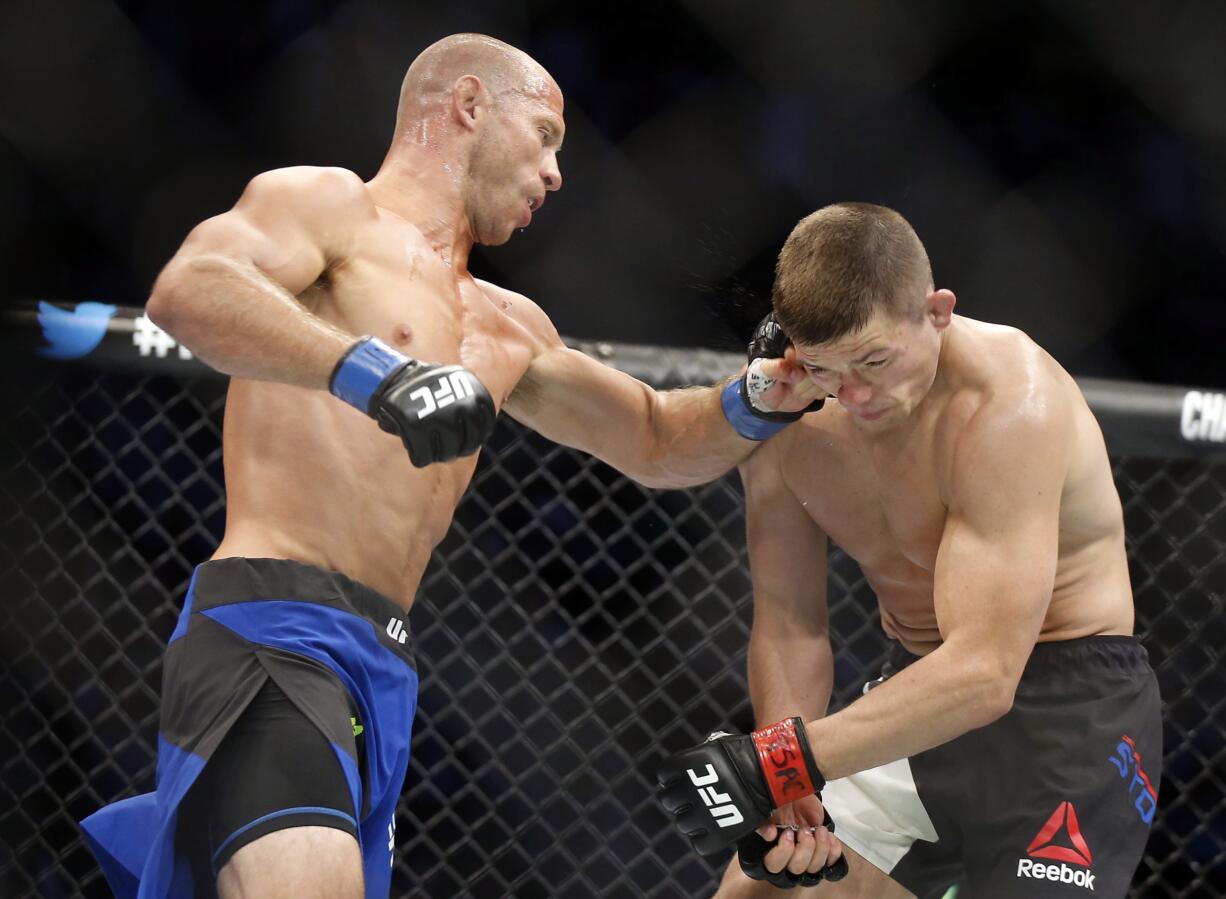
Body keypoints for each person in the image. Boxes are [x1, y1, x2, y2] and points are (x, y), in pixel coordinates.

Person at [77, 33, 826, 899]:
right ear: (469, 104)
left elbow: (655, 436)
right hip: (273, 628)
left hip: (384, 669)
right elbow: (193, 288)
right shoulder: (330, 210)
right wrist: (376, 374)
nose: (554, 174)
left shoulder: (510, 326)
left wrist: (758, 398)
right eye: (545, 135)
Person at [657, 203, 1162, 898]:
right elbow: (790, 621)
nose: (854, 392)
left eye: (873, 359)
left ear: (937, 311)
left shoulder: (1009, 404)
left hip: (1066, 709)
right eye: (829, 369)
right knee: (767, 888)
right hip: (917, 692)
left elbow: (986, 671)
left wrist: (776, 760)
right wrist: (788, 792)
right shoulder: (789, 413)